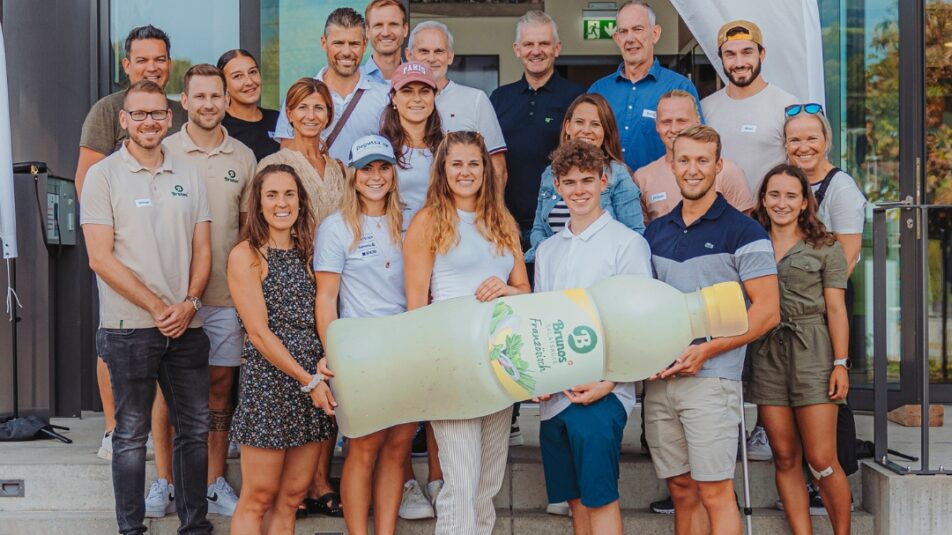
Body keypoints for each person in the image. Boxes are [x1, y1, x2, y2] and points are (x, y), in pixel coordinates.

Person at [80, 79, 212, 535]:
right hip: (128, 327)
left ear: (170, 117)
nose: (149, 122)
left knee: (194, 431)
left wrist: (190, 304)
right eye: (139, 114)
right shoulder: (103, 176)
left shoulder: (189, 174)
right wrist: (159, 306)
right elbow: (100, 257)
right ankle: (131, 529)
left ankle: (195, 526)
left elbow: (203, 249)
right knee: (131, 436)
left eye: (157, 113)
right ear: (123, 120)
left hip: (186, 327)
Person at [643, 125, 780, 535]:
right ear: (671, 164)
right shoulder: (656, 232)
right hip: (661, 380)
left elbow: (768, 311)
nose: (693, 169)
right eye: (684, 160)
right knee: (682, 490)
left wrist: (707, 350)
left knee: (715, 490)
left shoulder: (744, 230)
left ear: (719, 166)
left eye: (703, 160)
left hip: (712, 380)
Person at [403, 131, 530, 534]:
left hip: (501, 362)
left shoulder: (502, 220)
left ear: (486, 169)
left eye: (473, 163)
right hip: (452, 361)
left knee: (487, 483)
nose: (465, 171)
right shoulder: (428, 221)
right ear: (442, 169)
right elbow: (416, 306)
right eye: (456, 163)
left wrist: (508, 289)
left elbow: (525, 290)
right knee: (461, 481)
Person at [75, 24, 187, 465]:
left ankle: (164, 432)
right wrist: (101, 242)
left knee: (169, 347)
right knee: (116, 342)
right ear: (126, 65)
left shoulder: (178, 110)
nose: (152, 67)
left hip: (172, 252)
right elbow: (87, 177)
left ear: (169, 64)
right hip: (121, 252)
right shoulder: (107, 111)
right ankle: (113, 428)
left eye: (159, 59)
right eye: (142, 59)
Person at [533, 140, 652, 535]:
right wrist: (538, 378)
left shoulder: (627, 244)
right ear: (557, 185)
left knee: (601, 500)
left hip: (602, 393)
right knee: (576, 503)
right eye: (570, 182)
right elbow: (541, 320)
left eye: (588, 180)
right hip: (557, 398)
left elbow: (638, 322)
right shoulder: (548, 250)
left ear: (605, 180)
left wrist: (611, 380)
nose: (579, 189)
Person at [308, 135, 417, 535]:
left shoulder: (412, 219)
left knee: (397, 449)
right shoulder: (335, 228)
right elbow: (326, 299)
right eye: (367, 168)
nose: (375, 176)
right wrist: (331, 353)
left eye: (383, 167)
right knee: (364, 448)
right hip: (360, 354)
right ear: (353, 176)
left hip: (408, 350)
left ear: (393, 172)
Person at [163, 63, 257, 517]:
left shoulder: (243, 157)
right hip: (169, 299)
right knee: (168, 393)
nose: (207, 105)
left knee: (220, 388)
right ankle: (164, 481)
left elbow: (247, 228)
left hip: (223, 295)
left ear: (226, 100)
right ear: (184, 101)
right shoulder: (162, 150)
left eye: (215, 97)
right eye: (198, 97)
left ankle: (215, 480)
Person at [227, 164, 337, 534]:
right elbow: (258, 333)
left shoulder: (310, 253)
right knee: (258, 496)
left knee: (292, 496)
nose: (281, 203)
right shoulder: (247, 255)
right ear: (258, 204)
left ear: (301, 202)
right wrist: (307, 380)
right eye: (271, 195)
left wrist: (321, 369)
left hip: (312, 387)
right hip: (270, 387)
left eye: (289, 194)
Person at [749, 164, 852, 535]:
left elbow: (837, 309)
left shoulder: (825, 247)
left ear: (804, 201)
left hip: (814, 352)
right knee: (785, 456)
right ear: (763, 198)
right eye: (774, 194)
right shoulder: (751, 242)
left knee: (822, 458)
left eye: (791, 195)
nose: (781, 202)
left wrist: (840, 363)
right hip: (765, 354)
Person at [490, 10, 585, 253]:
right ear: (516, 49)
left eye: (544, 43)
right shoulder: (499, 99)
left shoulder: (577, 98)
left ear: (557, 48)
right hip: (506, 223)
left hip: (561, 224)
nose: (536, 51)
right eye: (528, 44)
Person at [527, 93, 645, 262]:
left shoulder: (618, 174)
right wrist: (551, 255)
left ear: (605, 131)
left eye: (595, 124)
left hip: (603, 269)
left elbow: (635, 234)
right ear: (568, 127)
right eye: (579, 122)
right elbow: (538, 228)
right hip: (557, 269)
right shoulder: (550, 173)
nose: (586, 130)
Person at [588, 1, 700, 173]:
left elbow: (697, 144)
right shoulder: (599, 91)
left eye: (638, 29)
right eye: (623, 32)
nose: (630, 39)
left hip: (662, 192)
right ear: (617, 39)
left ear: (655, 34)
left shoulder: (680, 87)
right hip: (608, 193)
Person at [273, 7, 390, 162]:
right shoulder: (302, 94)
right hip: (315, 185)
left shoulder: (384, 96)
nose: (346, 52)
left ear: (365, 44)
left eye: (354, 44)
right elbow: (287, 151)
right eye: (338, 43)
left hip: (365, 185)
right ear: (324, 43)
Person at [701, 19, 799, 194]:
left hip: (769, 218)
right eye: (730, 54)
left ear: (762, 54)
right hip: (717, 217)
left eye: (747, 52)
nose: (739, 63)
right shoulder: (705, 107)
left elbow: (801, 168)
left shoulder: (788, 106)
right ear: (721, 58)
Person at [405, 21, 509, 185]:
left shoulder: (475, 100)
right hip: (407, 208)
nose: (431, 58)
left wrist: (492, 211)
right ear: (409, 55)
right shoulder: (396, 101)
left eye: (439, 51)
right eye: (424, 51)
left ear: (450, 56)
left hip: (462, 210)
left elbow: (497, 170)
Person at [635, 89, 754, 223]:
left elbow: (744, 229)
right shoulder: (643, 178)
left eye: (681, 121)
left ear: (698, 121)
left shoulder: (726, 171)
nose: (674, 129)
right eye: (666, 122)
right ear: (657, 126)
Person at [783, 104, 865, 273]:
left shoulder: (842, 188)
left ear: (826, 140)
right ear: (785, 144)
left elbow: (847, 261)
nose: (804, 148)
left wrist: (818, 299)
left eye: (812, 139)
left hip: (823, 294)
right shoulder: (781, 181)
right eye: (795, 140)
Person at [259, 78, 347, 230]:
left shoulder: (339, 170)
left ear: (328, 115)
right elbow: (260, 226)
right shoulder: (272, 165)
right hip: (291, 253)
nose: (311, 116)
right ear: (289, 114)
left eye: (318, 108)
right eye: (303, 107)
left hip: (335, 254)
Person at [379, 61, 444, 226]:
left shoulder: (448, 148)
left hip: (441, 240)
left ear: (434, 96)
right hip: (392, 240)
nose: (417, 99)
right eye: (407, 91)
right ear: (394, 97)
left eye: (424, 91)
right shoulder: (380, 149)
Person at [217, 49, 280, 161]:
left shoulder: (279, 120)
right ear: (223, 85)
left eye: (252, 72)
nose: (249, 82)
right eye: (238, 76)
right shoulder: (219, 129)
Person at [361, 0, 409, 85]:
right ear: (367, 31)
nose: (386, 33)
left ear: (405, 30)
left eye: (393, 24)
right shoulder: (353, 80)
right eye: (378, 25)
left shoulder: (418, 77)